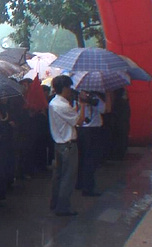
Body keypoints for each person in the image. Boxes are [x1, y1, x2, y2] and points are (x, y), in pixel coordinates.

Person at [48, 75, 85, 217]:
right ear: (63, 88)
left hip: (58, 144)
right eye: (69, 87)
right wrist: (83, 106)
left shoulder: (54, 102)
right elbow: (79, 121)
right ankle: (63, 207)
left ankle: (55, 202)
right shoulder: (62, 105)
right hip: (68, 145)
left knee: (58, 176)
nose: (71, 90)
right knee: (67, 177)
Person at [75, 91, 111, 197]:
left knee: (82, 158)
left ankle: (80, 183)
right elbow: (106, 109)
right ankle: (88, 188)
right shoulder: (94, 98)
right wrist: (108, 95)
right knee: (90, 160)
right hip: (92, 131)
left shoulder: (76, 97)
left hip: (80, 130)